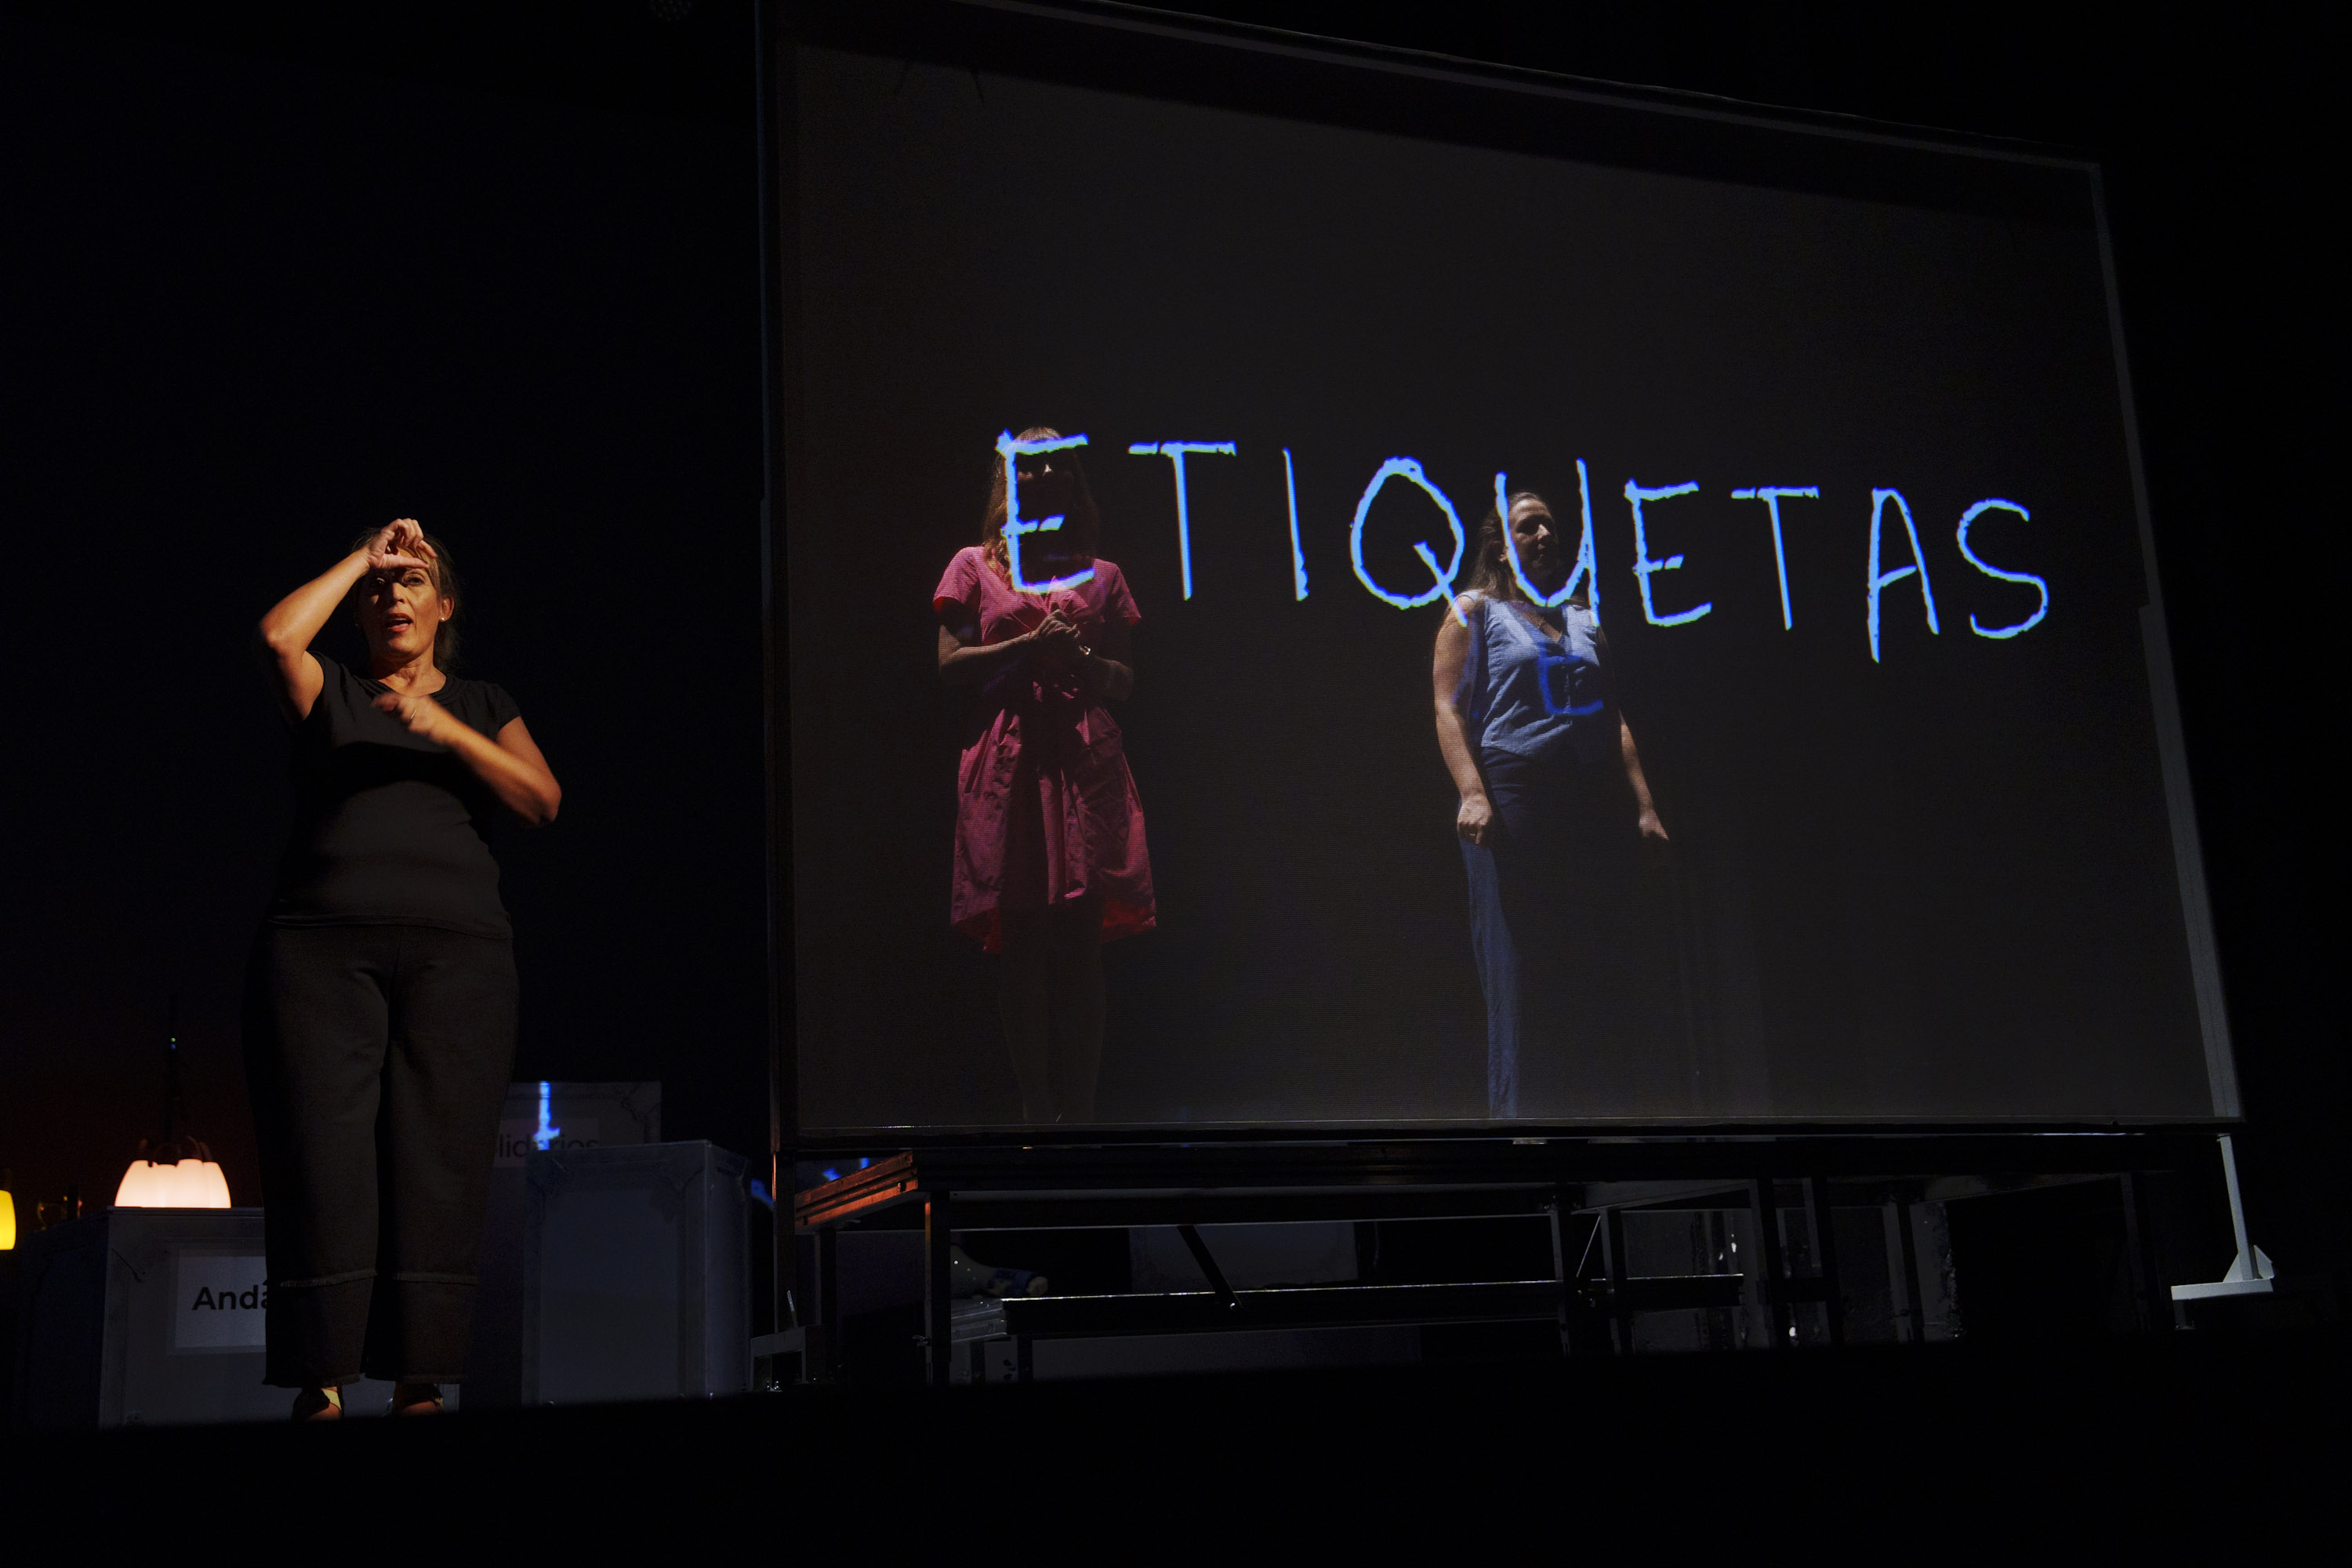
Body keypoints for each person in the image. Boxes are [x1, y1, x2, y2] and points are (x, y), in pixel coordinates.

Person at [249, 519, 561, 1419]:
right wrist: (363, 553)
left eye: (414, 581)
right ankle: (322, 1378)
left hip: (457, 956)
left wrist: (443, 727)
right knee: (322, 1156)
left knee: (438, 1158)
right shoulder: (331, 690)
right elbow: (276, 635)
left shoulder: (481, 700)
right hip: (316, 953)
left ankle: (421, 1378)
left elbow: (542, 798)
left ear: (445, 607)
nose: (394, 597)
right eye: (381, 589)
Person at [934, 429, 1153, 1123]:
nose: (1045, 474)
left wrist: (1081, 661)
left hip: (1083, 760)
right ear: (1009, 480)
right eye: (1029, 466)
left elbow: (1124, 680)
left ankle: (1082, 1113)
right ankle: (1034, 1107)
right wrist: (1029, 645)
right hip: (1011, 758)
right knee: (1023, 937)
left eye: (1057, 463)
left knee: (1081, 939)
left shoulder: (1104, 573)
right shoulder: (973, 564)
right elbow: (947, 663)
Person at [1432, 490, 1669, 1118]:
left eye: (1550, 525)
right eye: (1528, 526)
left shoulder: (1583, 618)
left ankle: (1611, 1119)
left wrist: (1644, 806)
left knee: (1597, 963)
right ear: (1499, 546)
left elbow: (1614, 716)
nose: (1543, 535)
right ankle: (1524, 1135)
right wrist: (1472, 792)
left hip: (1589, 798)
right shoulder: (1474, 611)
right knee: (1522, 970)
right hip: (1516, 793)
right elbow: (1447, 708)